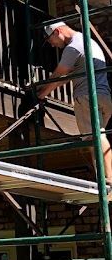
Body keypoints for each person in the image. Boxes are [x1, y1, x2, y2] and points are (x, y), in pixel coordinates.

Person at [38, 20, 112, 185]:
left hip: (87, 96)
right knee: (95, 137)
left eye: (51, 41)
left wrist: (41, 94)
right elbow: (65, 78)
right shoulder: (87, 41)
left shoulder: (73, 47)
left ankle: (108, 178)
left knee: (96, 137)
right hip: (104, 95)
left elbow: (58, 75)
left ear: (57, 32)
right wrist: (44, 89)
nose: (53, 46)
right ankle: (105, 177)